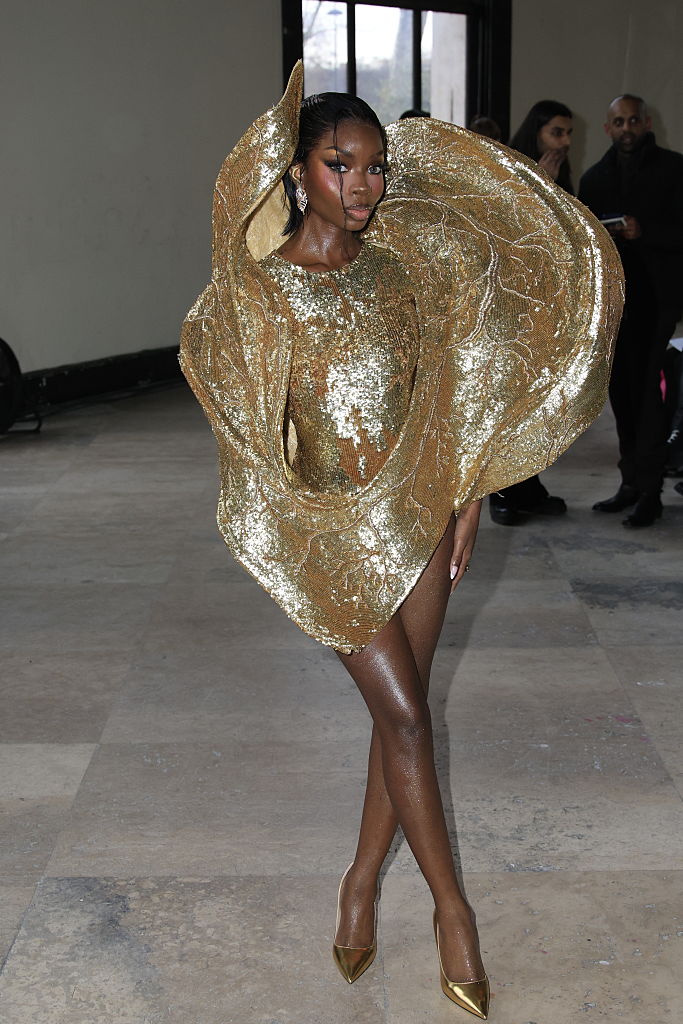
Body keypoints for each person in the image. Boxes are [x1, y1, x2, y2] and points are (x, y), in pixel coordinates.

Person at [180, 64, 621, 1018]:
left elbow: (449, 388)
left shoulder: (401, 267)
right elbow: (249, 437)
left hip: (418, 518)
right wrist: (297, 530)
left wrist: (467, 494)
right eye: (340, 165)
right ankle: (453, 914)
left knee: (401, 718)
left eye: (376, 166)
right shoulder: (261, 293)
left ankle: (356, 886)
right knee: (411, 722)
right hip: (325, 538)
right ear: (297, 172)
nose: (364, 185)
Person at [579, 94, 683, 527]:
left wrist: (645, 231)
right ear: (608, 128)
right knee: (621, 394)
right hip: (616, 304)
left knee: (648, 398)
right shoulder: (594, 177)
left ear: (646, 122)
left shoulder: (674, 169)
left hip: (659, 302)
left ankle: (650, 490)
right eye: (618, 122)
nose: (626, 128)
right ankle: (630, 483)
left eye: (633, 120)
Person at [487, 100, 575, 526]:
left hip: (543, 303)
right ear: (536, 132)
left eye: (569, 133)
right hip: (508, 305)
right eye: (557, 132)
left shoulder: (558, 171)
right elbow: (503, 231)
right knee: (507, 402)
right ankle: (502, 493)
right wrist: (538, 186)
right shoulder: (510, 167)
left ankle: (528, 487)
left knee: (534, 403)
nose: (565, 141)